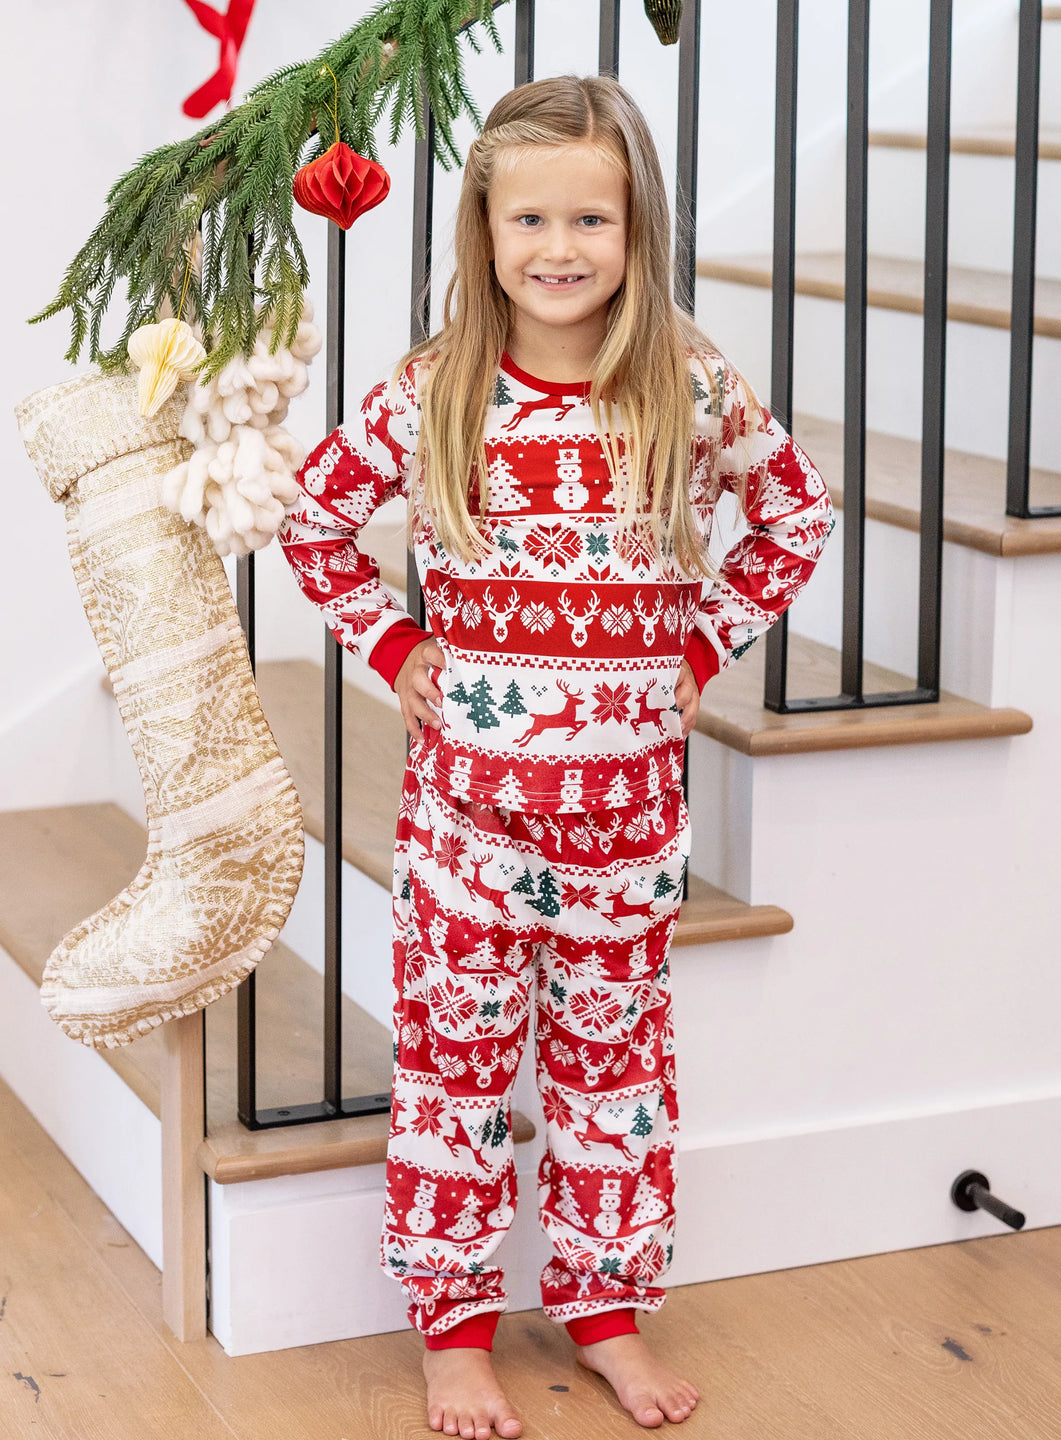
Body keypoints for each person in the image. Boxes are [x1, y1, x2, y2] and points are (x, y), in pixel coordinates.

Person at [279, 73, 834, 1439]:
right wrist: (401, 653)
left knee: (615, 1080)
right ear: (484, 229)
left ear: (638, 227)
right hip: (468, 825)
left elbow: (797, 519)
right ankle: (454, 1335)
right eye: (530, 217)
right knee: (456, 1076)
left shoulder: (690, 385)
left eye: (593, 215)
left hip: (628, 826)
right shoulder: (433, 390)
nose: (561, 246)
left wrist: (691, 659)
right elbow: (311, 525)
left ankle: (603, 1312)